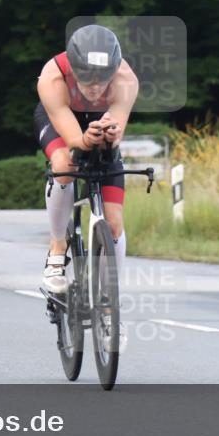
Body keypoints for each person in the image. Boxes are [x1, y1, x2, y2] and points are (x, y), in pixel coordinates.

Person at [35, 24, 139, 293]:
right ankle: (58, 247)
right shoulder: (52, 78)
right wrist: (84, 140)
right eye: (86, 79)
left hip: (98, 118)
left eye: (102, 80)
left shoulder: (126, 80)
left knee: (114, 223)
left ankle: (110, 305)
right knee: (65, 165)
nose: (94, 88)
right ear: (73, 69)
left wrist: (110, 136)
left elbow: (113, 138)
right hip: (62, 115)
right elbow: (74, 141)